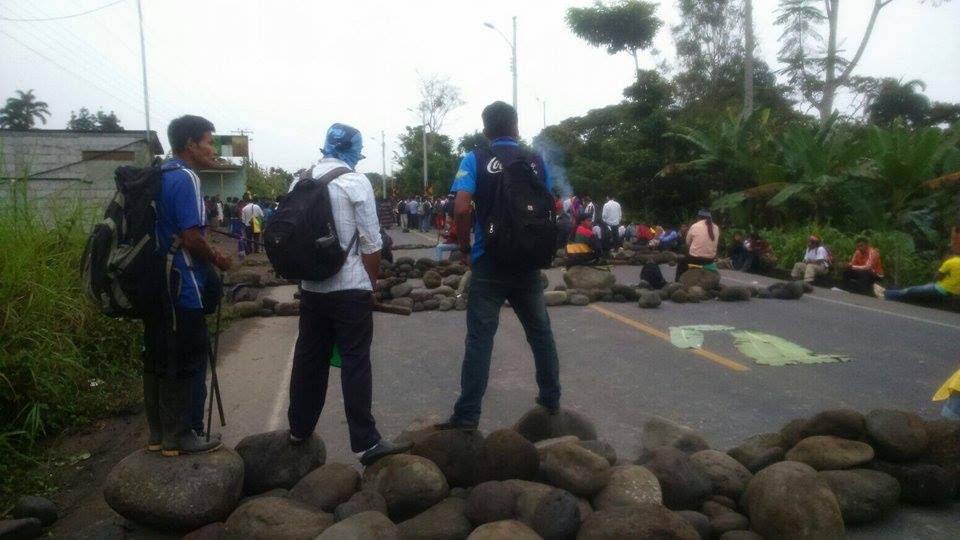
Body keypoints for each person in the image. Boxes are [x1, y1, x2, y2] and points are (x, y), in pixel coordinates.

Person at [286, 123, 410, 466]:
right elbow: (371, 244)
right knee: (355, 361)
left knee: (309, 357)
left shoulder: (300, 180)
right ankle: (366, 443)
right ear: (352, 151)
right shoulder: (355, 181)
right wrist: (370, 286)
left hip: (311, 287)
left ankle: (298, 429)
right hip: (349, 288)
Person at [438, 101, 561, 430]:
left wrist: (464, 248)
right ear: (516, 128)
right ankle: (550, 398)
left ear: (485, 130)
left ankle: (467, 416)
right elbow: (546, 206)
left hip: (489, 261)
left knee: (480, 339)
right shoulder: (535, 161)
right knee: (540, 333)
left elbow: (462, 208)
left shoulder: (475, 158)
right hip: (528, 262)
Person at [142, 114, 232, 456]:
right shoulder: (186, 177)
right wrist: (219, 259)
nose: (212, 149)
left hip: (153, 284)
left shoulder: (157, 174)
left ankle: (158, 435)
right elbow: (192, 239)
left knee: (157, 357)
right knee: (190, 357)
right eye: (209, 141)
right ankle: (186, 433)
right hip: (182, 284)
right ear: (191, 144)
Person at [876, 246, 960, 305]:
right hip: (954, 292)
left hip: (942, 288)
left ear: (949, 254)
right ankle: (886, 291)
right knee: (912, 289)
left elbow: (937, 277)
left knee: (911, 290)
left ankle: (885, 294)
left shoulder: (950, 262)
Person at [675, 209, 720, 281]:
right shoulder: (716, 227)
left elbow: (687, 242)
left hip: (696, 259)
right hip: (710, 260)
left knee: (681, 259)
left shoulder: (695, 226)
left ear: (698, 217)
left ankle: (677, 281)